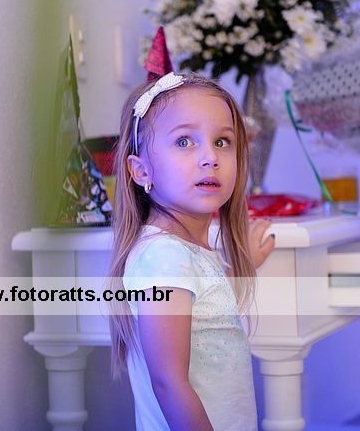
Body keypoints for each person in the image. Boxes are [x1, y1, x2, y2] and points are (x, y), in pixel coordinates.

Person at [108, 72, 275, 431]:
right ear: (141, 171)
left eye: (222, 141)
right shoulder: (164, 257)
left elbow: (207, 316)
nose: (209, 157)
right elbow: (169, 383)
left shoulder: (181, 252)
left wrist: (245, 264)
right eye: (184, 141)